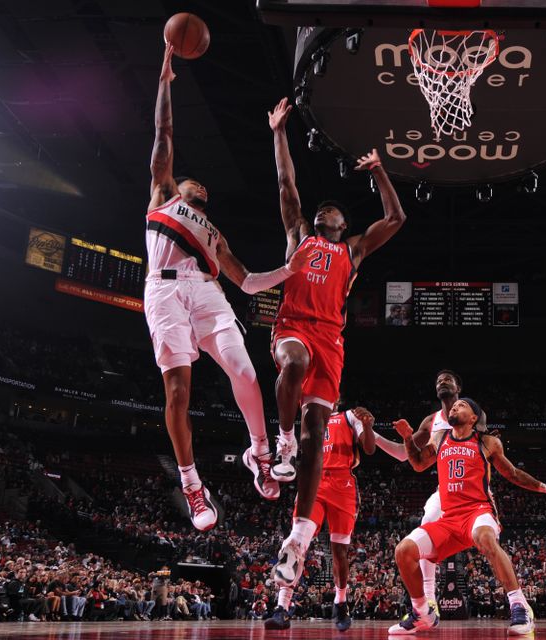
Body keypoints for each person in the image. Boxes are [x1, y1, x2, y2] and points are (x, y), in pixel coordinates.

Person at [145, 45, 311, 530]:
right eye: (192, 184)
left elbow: (249, 283)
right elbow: (164, 133)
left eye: (205, 191)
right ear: (181, 186)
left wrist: (290, 268)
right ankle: (193, 484)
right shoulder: (161, 195)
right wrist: (164, 82)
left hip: (208, 294)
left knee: (245, 371)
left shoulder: (215, 237)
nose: (201, 190)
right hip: (164, 292)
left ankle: (260, 452)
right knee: (178, 394)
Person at [267, 97, 406, 578]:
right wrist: (279, 133)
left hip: (332, 340)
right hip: (294, 327)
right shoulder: (299, 235)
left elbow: (396, 219)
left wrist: (380, 170)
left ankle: (297, 542)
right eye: (322, 208)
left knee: (316, 439)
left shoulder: (352, 250)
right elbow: (287, 185)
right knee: (292, 366)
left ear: (343, 225)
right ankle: (280, 442)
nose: (325, 210)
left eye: (334, 211)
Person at [388, 398, 546, 635]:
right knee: (403, 551)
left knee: (485, 538)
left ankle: (519, 606)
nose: (455, 407)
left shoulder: (487, 442)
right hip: (448, 518)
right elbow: (417, 464)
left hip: (478, 511)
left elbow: (513, 473)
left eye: (461, 406)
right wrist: (407, 437)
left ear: (474, 418)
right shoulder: (440, 437)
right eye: (454, 406)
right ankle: (422, 613)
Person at [266, 406, 376, 631]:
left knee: (340, 551)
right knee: (298, 542)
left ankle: (341, 602)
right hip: (314, 481)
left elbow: (369, 448)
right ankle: (282, 608)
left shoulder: (349, 416)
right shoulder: (309, 416)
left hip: (342, 485)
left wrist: (366, 425)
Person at [372, 370, 462, 617]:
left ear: (458, 388)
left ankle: (517, 603)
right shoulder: (430, 422)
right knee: (427, 525)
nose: (442, 382)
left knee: (488, 540)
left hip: (473, 489)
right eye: (438, 380)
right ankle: (429, 601)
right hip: (446, 490)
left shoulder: (471, 412)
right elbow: (405, 454)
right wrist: (374, 436)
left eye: (448, 379)